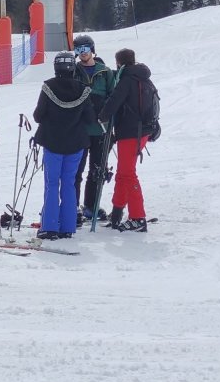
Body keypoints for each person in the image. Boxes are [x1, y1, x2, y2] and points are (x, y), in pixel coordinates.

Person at [32, 53, 95, 240]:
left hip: (52, 142)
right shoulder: (83, 90)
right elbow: (90, 119)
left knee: (52, 184)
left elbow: (38, 116)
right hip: (76, 143)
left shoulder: (48, 87)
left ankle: (49, 226)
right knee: (69, 183)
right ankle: (68, 226)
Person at [98, 48, 159, 231]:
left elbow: (114, 102)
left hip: (130, 132)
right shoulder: (144, 78)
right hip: (142, 132)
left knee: (128, 174)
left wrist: (102, 116)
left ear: (119, 63)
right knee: (123, 172)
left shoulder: (127, 80)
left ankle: (138, 217)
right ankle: (117, 212)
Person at [72, 35, 117, 222]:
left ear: (92, 49)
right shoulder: (73, 71)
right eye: (78, 50)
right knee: (76, 170)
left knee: (97, 170)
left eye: (85, 49)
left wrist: (104, 110)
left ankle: (91, 205)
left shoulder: (104, 72)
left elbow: (114, 96)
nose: (82, 54)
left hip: (100, 130)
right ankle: (73, 207)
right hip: (80, 129)